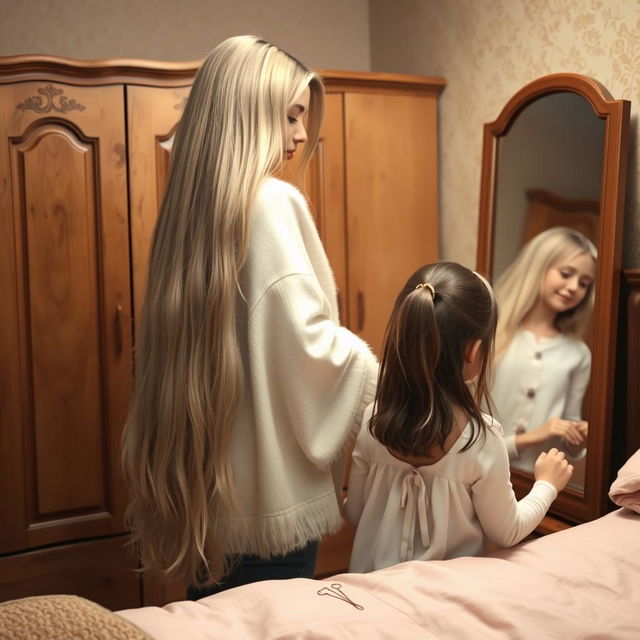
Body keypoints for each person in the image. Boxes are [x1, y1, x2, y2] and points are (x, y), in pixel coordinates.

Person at [121, 35, 378, 596]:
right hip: (271, 508)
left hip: (213, 503)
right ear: (247, 114)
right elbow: (308, 349)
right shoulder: (271, 203)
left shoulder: (193, 215)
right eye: (290, 116)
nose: (303, 135)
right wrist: (379, 373)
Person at [344, 262, 572, 573]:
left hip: (371, 592)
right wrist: (547, 484)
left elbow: (355, 512)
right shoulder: (481, 438)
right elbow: (507, 532)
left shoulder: (373, 420)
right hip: (445, 600)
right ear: (475, 351)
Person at [491, 227, 596, 474]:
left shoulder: (578, 354)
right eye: (566, 273)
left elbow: (569, 426)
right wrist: (531, 437)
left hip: (536, 486)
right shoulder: (490, 333)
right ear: (538, 267)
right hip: (476, 476)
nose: (573, 287)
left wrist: (577, 437)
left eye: (584, 283)